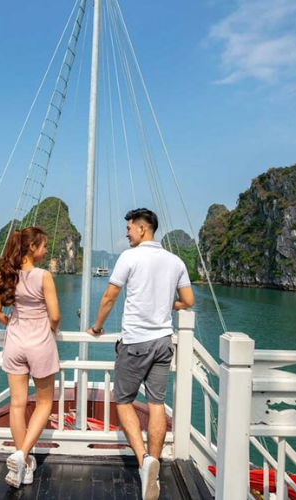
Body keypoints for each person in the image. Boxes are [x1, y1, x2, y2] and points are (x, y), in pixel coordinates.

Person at [86, 208, 194, 500]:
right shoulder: (175, 261)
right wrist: (165, 306)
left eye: (129, 228)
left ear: (142, 229)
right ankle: (154, 465)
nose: (126, 233)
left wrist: (97, 327)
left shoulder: (129, 258)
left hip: (135, 343)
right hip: (163, 342)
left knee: (122, 401)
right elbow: (188, 300)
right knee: (156, 403)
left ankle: (144, 460)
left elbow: (109, 296)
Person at [0, 226, 61, 489]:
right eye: (43, 245)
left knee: (17, 405)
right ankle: (21, 455)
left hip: (15, 343)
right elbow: (54, 316)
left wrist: (11, 322)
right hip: (40, 344)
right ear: (32, 247)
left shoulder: (5, 274)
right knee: (44, 403)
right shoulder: (44, 276)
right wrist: (49, 330)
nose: (46, 250)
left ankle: (25, 463)